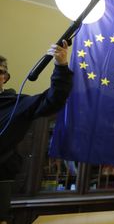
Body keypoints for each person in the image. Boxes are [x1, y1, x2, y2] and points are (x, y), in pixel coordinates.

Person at [0, 40, 73, 181]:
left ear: (5, 78)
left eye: (0, 72)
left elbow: (54, 100)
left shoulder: (17, 104)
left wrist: (61, 66)